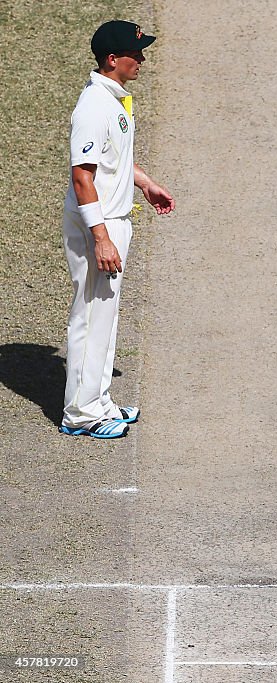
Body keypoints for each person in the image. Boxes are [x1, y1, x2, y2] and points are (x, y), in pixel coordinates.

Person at [60, 20, 175, 439]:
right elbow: (82, 177)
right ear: (113, 59)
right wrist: (102, 236)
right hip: (99, 225)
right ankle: (81, 414)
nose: (142, 59)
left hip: (113, 219)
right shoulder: (94, 106)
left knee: (104, 317)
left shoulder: (116, 100)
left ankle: (100, 400)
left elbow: (115, 161)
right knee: (90, 315)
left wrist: (144, 183)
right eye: (136, 52)